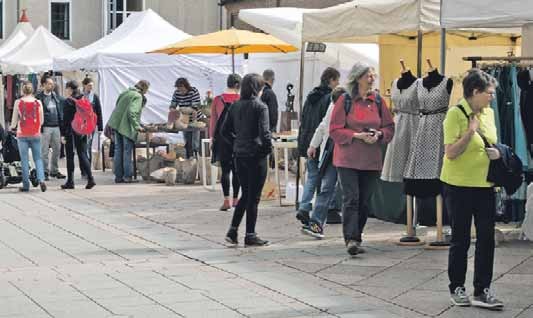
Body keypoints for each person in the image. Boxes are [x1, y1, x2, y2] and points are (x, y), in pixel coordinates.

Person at [441, 69, 504, 309]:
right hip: (458, 187)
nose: (492, 98)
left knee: (487, 239)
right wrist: (469, 132)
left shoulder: (488, 114)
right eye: (489, 93)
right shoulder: (455, 115)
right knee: (461, 239)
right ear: (475, 92)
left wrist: (498, 153)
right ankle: (456, 287)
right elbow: (450, 153)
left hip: (485, 186)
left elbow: (494, 142)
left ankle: (482, 290)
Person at [329, 62, 394, 256]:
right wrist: (356, 136)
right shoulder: (345, 100)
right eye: (368, 75)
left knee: (365, 201)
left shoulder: (378, 101)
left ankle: (357, 234)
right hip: (347, 159)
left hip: (371, 160)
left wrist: (379, 135)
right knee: (351, 198)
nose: (372, 78)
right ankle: (351, 239)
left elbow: (390, 127)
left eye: (374, 75)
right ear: (358, 78)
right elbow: (334, 129)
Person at [222, 73, 272, 247]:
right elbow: (265, 134)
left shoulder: (235, 106)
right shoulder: (260, 107)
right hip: (256, 155)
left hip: (240, 154)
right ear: (258, 88)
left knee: (246, 193)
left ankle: (233, 229)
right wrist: (266, 150)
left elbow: (224, 131)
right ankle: (250, 234)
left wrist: (236, 142)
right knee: (254, 196)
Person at [296, 67, 340, 226]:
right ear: (332, 80)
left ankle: (304, 206)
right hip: (321, 144)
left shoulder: (310, 96)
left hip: (308, 141)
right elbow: (325, 124)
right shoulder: (330, 99)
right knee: (327, 181)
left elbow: (303, 120)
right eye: (337, 80)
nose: (338, 84)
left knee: (312, 178)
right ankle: (329, 210)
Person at [302, 86, 346, 239]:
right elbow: (323, 125)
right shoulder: (333, 105)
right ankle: (316, 223)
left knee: (348, 191)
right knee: (327, 188)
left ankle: (354, 230)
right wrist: (314, 144)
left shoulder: (350, 107)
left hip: (346, 153)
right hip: (333, 150)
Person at [107, 80, 150, 184]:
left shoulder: (125, 92)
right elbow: (132, 112)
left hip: (117, 125)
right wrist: (137, 126)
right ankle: (127, 177)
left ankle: (118, 177)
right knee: (127, 152)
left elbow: (118, 107)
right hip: (126, 127)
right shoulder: (138, 96)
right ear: (144, 89)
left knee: (118, 151)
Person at [210, 74, 242, 211]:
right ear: (237, 85)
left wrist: (212, 138)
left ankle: (226, 201)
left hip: (222, 140)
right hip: (239, 140)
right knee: (237, 171)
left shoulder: (217, 100)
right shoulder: (241, 99)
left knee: (225, 171)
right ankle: (235, 199)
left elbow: (213, 121)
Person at [9, 82, 46, 192]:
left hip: (22, 134)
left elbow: (14, 121)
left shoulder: (18, 102)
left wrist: (12, 127)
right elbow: (42, 120)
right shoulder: (38, 102)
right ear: (32, 90)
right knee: (38, 158)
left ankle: (26, 185)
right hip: (36, 134)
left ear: (22, 90)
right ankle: (41, 179)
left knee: (24, 160)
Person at [60, 80, 96, 190]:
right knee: (83, 154)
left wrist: (63, 134)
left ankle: (70, 181)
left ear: (70, 89)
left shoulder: (68, 101)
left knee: (70, 156)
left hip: (71, 131)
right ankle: (90, 178)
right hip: (83, 130)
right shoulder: (84, 99)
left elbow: (65, 120)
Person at [36, 75, 65, 180]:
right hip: (45, 127)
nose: (51, 85)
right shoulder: (39, 98)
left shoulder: (56, 96)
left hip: (56, 126)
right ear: (43, 85)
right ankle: (44, 171)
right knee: (44, 151)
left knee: (57, 150)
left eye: (52, 83)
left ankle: (54, 170)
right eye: (49, 83)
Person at [170, 78, 202, 159]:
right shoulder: (177, 92)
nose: (181, 92)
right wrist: (172, 109)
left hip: (196, 118)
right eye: (179, 89)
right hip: (184, 119)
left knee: (195, 141)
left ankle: (196, 158)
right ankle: (189, 158)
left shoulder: (193, 91)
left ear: (186, 86)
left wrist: (183, 109)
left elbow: (195, 106)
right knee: (187, 140)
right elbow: (173, 104)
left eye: (182, 89)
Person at [81, 77, 103, 172]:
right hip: (81, 125)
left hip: (91, 124)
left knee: (88, 146)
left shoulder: (95, 97)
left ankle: (88, 168)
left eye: (92, 86)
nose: (91, 88)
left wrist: (100, 126)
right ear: (84, 85)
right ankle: (83, 169)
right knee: (82, 147)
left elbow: (99, 111)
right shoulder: (80, 96)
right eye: (89, 85)